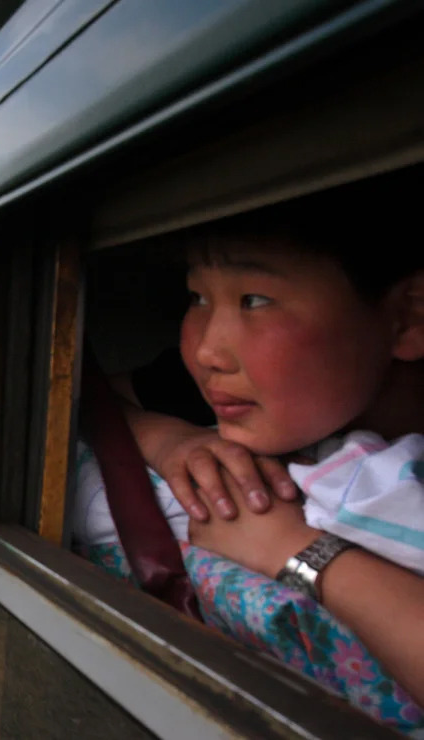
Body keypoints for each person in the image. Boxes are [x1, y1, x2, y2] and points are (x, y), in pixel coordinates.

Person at [72, 175, 424, 714]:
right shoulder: (218, 390)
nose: (208, 351)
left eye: (255, 300)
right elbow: (78, 398)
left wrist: (289, 549)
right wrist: (165, 436)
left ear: (408, 317)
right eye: (197, 296)